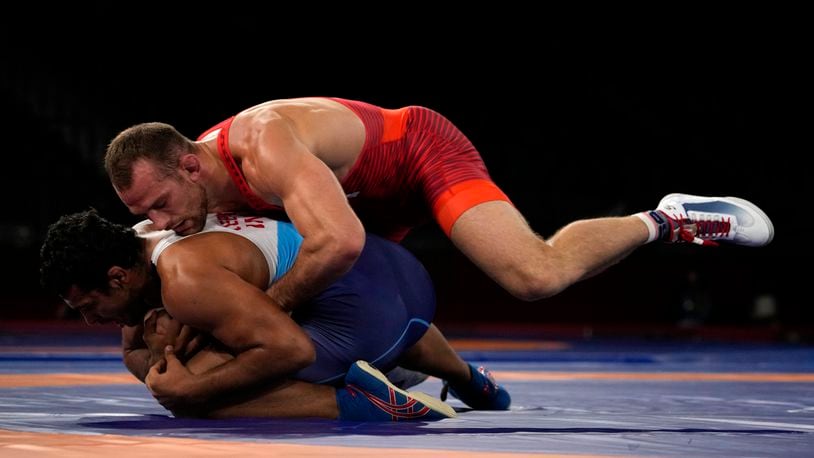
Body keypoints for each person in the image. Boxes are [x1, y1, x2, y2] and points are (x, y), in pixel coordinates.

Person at [103, 98, 776, 315]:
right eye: (148, 213)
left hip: (417, 153)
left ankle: (669, 217)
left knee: (533, 275)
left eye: (160, 204)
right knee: (349, 303)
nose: (159, 222)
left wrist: (265, 306)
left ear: (192, 164)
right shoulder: (185, 188)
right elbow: (139, 243)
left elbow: (337, 244)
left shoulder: (262, 145)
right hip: (359, 197)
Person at [39, 209, 510, 420]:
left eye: (88, 307)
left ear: (119, 277)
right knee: (195, 337)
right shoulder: (151, 228)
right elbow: (131, 346)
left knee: (200, 381)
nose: (90, 322)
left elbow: (291, 348)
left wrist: (190, 392)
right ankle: (472, 380)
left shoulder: (184, 280)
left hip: (366, 315)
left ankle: (364, 405)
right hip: (399, 280)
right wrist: (154, 352)